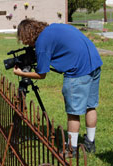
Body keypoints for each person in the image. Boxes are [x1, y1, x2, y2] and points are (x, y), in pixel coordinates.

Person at [14, 19, 102, 157]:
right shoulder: (53, 28)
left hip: (78, 71)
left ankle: (71, 150)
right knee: (90, 106)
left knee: (73, 112)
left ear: (27, 35)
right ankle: (90, 143)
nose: (25, 42)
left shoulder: (42, 43)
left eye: (23, 38)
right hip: (94, 62)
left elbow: (41, 74)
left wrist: (21, 73)